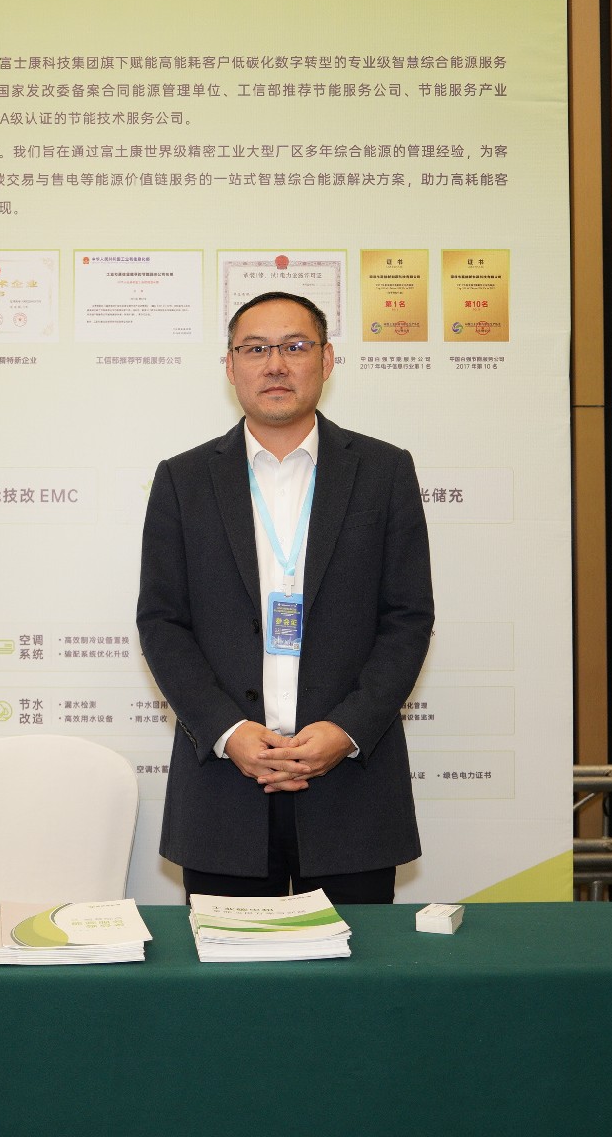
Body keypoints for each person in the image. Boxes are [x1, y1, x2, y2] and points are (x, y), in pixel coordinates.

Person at [137, 291, 433, 904]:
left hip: (351, 785)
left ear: (327, 360)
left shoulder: (383, 471)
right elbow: (162, 622)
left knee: (356, 964)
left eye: (295, 347)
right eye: (255, 349)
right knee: (229, 965)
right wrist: (227, 732)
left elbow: (407, 619)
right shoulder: (183, 479)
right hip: (224, 787)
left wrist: (347, 729)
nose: (275, 364)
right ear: (230, 366)